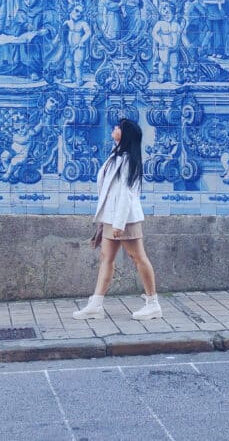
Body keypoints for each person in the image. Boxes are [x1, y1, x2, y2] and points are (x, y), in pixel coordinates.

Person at [72, 119, 162, 321]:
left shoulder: (128, 160)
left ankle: (153, 304)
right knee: (106, 258)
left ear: (125, 133)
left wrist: (119, 224)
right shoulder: (117, 155)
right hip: (112, 217)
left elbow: (126, 194)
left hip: (125, 219)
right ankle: (96, 305)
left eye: (118, 127)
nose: (114, 129)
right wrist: (105, 222)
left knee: (138, 257)